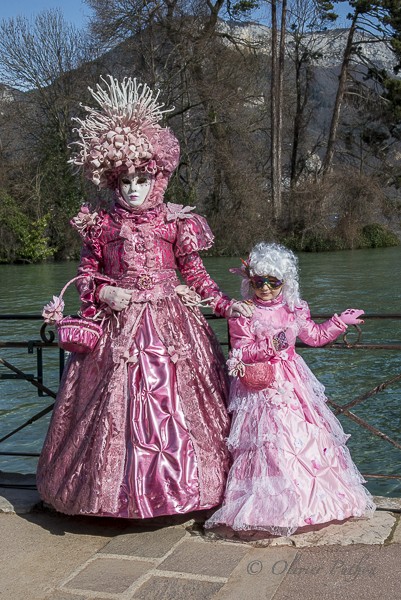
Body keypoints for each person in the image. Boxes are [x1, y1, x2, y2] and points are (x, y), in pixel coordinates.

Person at [36, 76, 252, 519]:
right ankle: (111, 496)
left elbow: (197, 277)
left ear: (158, 176)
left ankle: (185, 490)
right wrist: (102, 289)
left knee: (177, 407)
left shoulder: (177, 223)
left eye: (142, 178)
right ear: (114, 180)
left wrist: (228, 305)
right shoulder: (100, 224)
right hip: (117, 331)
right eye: (126, 179)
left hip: (173, 324)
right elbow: (85, 278)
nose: (133, 188)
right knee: (115, 415)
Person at [205, 242, 375, 537]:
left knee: (301, 438)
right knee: (270, 444)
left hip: (294, 384)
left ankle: (309, 504)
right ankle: (271, 508)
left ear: (285, 281)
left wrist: (338, 322)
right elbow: (241, 352)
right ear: (251, 281)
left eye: (273, 281)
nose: (266, 288)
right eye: (260, 281)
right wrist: (276, 344)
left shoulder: (294, 308)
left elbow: (314, 336)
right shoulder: (243, 312)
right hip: (259, 388)